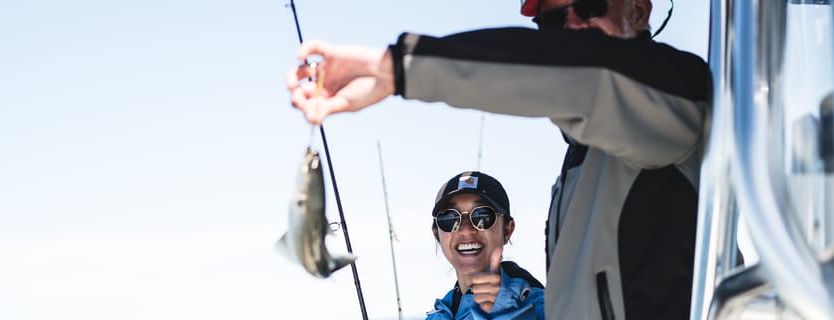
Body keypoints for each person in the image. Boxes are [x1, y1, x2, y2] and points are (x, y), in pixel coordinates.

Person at [286, 0, 711, 318]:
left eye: (590, 5)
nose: (572, 28)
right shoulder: (583, 168)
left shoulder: (676, 97)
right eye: (553, 21)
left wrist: (395, 68)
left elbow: (586, 74)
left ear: (638, 11)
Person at [426, 171, 545, 320]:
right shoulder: (440, 313)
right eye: (450, 218)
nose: (466, 229)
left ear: (508, 230)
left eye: (482, 215)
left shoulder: (544, 307)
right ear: (437, 234)